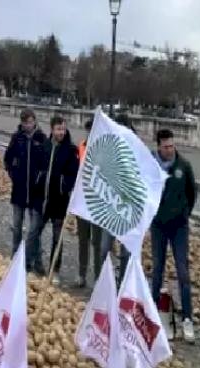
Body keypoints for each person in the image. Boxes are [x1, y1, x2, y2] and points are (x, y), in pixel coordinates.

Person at [150, 128, 196, 343]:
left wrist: (184, 214)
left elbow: (192, 194)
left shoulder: (184, 166)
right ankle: (152, 311)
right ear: (158, 146)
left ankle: (187, 318)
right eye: (166, 146)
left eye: (172, 145)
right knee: (157, 268)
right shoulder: (151, 163)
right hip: (158, 225)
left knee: (183, 272)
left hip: (179, 227)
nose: (170, 150)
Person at [5, 108, 48, 273]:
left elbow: (46, 164)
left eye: (29, 122)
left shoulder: (42, 139)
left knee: (34, 229)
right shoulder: (17, 138)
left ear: (34, 121)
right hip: (19, 190)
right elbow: (8, 159)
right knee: (17, 227)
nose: (27, 126)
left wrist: (40, 178)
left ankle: (35, 260)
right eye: (24, 123)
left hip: (36, 192)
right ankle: (15, 257)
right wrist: (13, 175)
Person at [40, 116, 78, 283]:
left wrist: (62, 184)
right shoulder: (45, 146)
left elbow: (72, 175)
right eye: (58, 129)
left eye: (63, 129)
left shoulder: (71, 150)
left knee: (57, 237)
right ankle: (35, 261)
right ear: (52, 129)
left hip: (60, 200)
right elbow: (39, 167)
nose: (61, 132)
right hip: (44, 199)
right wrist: (40, 181)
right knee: (35, 232)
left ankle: (54, 269)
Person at [73, 121, 107, 288]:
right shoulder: (81, 146)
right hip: (82, 201)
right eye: (88, 131)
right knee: (83, 240)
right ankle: (82, 274)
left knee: (97, 242)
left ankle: (98, 277)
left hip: (97, 204)